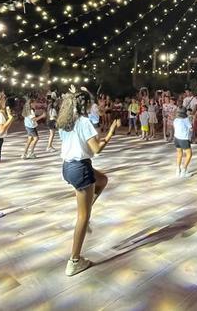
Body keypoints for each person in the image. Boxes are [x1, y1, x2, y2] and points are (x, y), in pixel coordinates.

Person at [58, 90, 120, 276]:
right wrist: (111, 132)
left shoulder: (65, 122)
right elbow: (96, 149)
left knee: (103, 180)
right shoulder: (83, 122)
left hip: (67, 167)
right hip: (80, 169)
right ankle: (74, 261)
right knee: (83, 217)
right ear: (83, 105)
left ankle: (87, 209)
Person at [173, 107, 193, 177]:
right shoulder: (186, 120)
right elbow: (191, 129)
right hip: (184, 138)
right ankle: (184, 171)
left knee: (179, 153)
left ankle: (178, 170)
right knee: (189, 154)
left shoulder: (175, 119)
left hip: (176, 138)